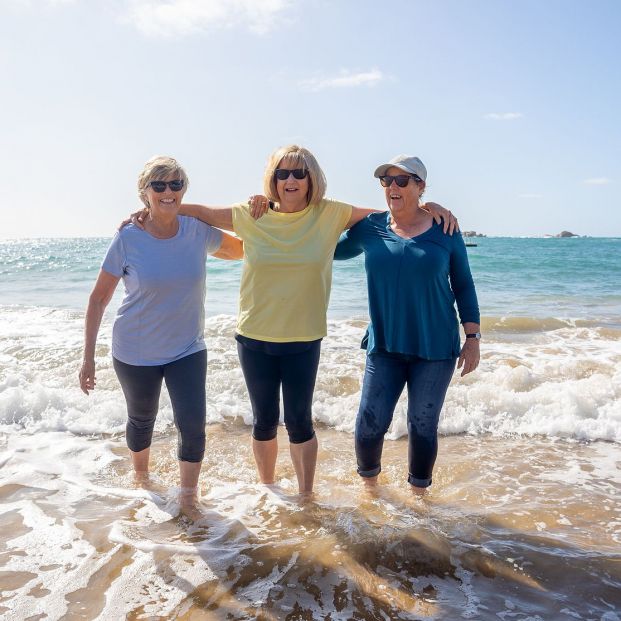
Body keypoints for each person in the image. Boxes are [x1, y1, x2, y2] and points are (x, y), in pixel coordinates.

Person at [158, 145, 457, 496]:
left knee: (300, 422)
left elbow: (392, 213)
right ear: (273, 179)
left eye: (299, 173)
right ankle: (268, 490)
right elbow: (202, 213)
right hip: (254, 335)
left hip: (303, 337)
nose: (291, 180)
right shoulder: (251, 213)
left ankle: (305, 497)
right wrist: (153, 208)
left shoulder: (329, 214)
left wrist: (428, 207)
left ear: (311, 178)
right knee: (264, 422)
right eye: (282, 173)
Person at [79, 156, 243, 517]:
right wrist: (88, 357)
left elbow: (244, 249)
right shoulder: (128, 237)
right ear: (145, 193)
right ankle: (141, 479)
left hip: (187, 347)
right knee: (142, 418)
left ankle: (187, 496)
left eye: (175, 184)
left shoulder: (196, 230)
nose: (168, 191)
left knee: (192, 422)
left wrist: (275, 224)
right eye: (159, 185)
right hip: (135, 351)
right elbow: (98, 298)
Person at [334, 154, 480, 494]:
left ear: (420, 187)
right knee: (369, 422)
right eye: (387, 181)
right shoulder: (370, 228)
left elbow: (464, 284)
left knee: (423, 424)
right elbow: (329, 249)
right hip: (384, 344)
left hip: (435, 347)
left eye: (402, 180)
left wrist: (472, 337)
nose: (393, 187)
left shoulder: (446, 230)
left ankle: (419, 498)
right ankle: (370, 493)